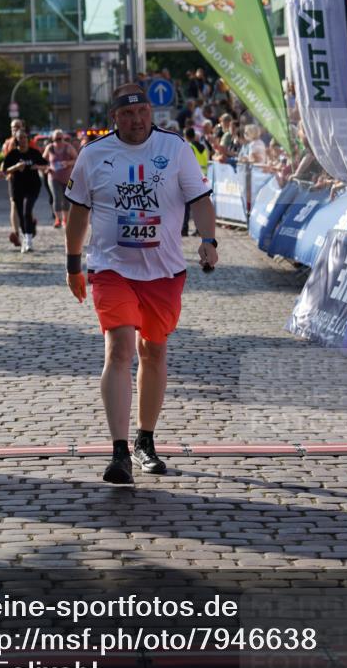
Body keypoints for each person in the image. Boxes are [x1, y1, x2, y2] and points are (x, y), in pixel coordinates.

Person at [64, 83, 218, 485]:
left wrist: (208, 240)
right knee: (119, 349)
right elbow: (78, 212)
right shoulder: (94, 155)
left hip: (164, 271)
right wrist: (73, 263)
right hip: (111, 268)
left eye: (143, 112)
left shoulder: (175, 149)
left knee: (154, 352)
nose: (137, 121)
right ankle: (118, 453)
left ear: (152, 113)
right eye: (128, 114)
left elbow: (200, 199)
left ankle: (144, 440)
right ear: (114, 117)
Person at [1, 130, 48, 253]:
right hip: (18, 187)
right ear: (17, 140)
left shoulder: (34, 153)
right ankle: (26, 235)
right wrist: (16, 167)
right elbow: (4, 171)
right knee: (21, 214)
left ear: (28, 139)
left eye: (25, 137)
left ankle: (28, 241)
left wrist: (38, 167)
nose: (23, 140)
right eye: (20, 138)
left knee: (27, 210)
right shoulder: (12, 154)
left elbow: (45, 165)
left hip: (33, 186)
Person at [43, 130, 78, 228]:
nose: (58, 141)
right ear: (52, 139)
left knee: (67, 199)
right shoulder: (50, 148)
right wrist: (47, 168)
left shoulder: (68, 147)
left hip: (68, 178)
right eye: (56, 139)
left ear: (63, 138)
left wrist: (68, 163)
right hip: (53, 177)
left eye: (60, 138)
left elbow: (77, 159)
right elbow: (42, 161)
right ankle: (58, 219)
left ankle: (65, 219)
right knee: (57, 198)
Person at [182, 127, 209, 236]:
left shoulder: (189, 147)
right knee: (199, 205)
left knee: (187, 206)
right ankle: (200, 229)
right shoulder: (203, 146)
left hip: (192, 177)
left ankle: (184, 229)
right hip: (203, 178)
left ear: (186, 135)